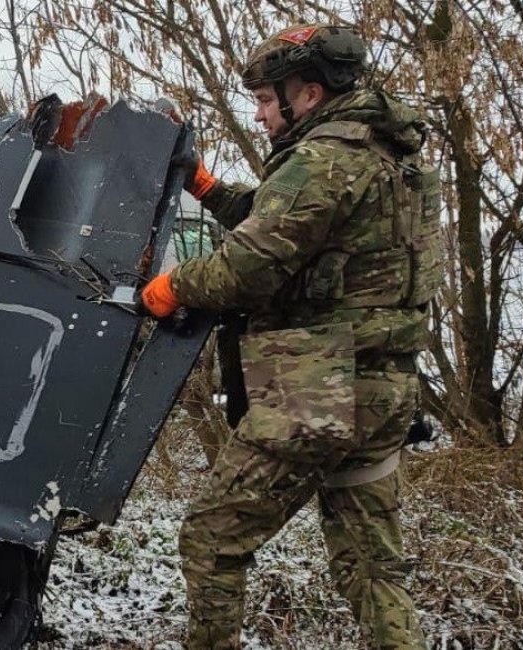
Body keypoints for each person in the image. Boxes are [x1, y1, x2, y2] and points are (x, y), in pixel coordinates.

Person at [139, 25, 442, 649]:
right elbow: (292, 224)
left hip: (318, 394)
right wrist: (206, 187)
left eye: (265, 98)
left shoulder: (324, 159)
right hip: (383, 393)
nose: (257, 112)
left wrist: (169, 289)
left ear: (307, 94)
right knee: (372, 566)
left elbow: (245, 267)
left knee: (212, 539)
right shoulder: (395, 156)